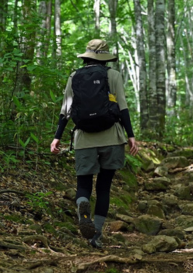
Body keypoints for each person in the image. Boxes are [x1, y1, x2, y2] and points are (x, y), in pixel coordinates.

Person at [50, 39, 138, 248]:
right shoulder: (112, 75)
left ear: (87, 55)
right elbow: (123, 107)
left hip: (83, 139)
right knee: (104, 187)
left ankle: (82, 205)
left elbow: (66, 110)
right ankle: (95, 236)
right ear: (105, 57)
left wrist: (57, 137)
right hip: (112, 137)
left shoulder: (74, 77)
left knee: (83, 184)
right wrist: (131, 135)